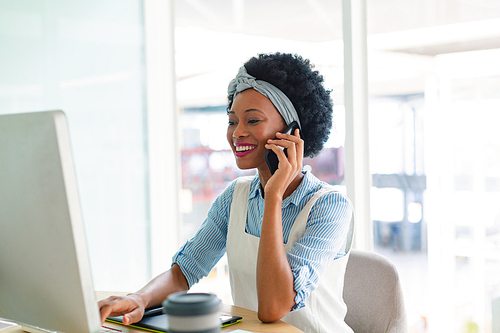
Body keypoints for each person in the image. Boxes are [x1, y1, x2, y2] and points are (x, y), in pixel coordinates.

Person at [99, 52, 354, 333]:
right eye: (232, 121)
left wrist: (274, 197)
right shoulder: (235, 197)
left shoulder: (330, 206)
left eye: (253, 121)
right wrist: (139, 298)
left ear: (293, 132)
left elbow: (273, 307)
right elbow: (186, 270)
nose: (237, 133)